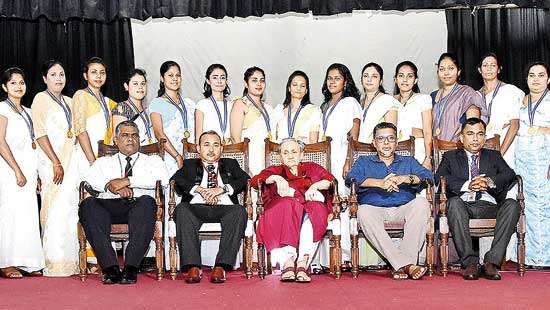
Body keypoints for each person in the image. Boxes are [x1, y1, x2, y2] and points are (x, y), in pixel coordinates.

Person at [79, 121, 169, 284]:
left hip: (138, 206)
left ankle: (131, 268)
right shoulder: (104, 162)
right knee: (88, 205)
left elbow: (163, 179)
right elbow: (89, 180)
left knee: (148, 202)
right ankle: (110, 268)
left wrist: (128, 181)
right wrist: (111, 186)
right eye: (125, 135)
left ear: (139, 139)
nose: (130, 139)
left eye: (134, 135)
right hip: (109, 206)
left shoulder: (153, 160)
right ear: (116, 140)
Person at [346, 122, 433, 280]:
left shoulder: (408, 161)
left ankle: (402, 264)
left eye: (390, 138)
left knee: (422, 203)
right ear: (374, 143)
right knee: (363, 211)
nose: (386, 143)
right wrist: (380, 183)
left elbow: (428, 177)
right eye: (381, 139)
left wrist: (405, 178)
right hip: (375, 209)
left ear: (396, 142)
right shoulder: (363, 162)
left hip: (404, 207)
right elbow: (351, 179)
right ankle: (406, 265)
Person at [436, 118, 519, 280]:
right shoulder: (450, 156)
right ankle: (470, 263)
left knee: (513, 205)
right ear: (461, 138)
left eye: (480, 134)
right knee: (453, 203)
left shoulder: (493, 155)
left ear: (484, 137)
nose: (475, 139)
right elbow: (440, 177)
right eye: (470, 134)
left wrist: (489, 181)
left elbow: (510, 175)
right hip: (463, 206)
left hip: (489, 205)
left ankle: (491, 262)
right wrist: (468, 184)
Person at [250, 138, 335, 283]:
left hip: (309, 210)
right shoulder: (276, 170)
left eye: (294, 152)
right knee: (288, 204)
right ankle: (288, 262)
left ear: (301, 154)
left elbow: (330, 180)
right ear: (280, 156)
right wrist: (276, 178)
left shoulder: (312, 167)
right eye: (285, 152)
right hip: (285, 212)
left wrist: (314, 187)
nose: (290, 156)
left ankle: (302, 263)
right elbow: (255, 181)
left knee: (314, 209)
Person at [171, 131, 249, 284]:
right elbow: (176, 179)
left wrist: (222, 189)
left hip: (224, 207)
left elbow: (245, 179)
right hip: (196, 207)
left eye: (216, 145)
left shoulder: (230, 164)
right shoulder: (189, 164)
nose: (211, 150)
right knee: (181, 210)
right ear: (198, 148)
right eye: (206, 145)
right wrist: (199, 189)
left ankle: (221, 266)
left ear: (221, 148)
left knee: (239, 211)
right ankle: (193, 266)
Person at [31, 60, 80, 276]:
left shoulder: (70, 102)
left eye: (61, 73)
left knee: (71, 210)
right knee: (55, 211)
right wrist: (56, 162)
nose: (59, 78)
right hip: (52, 162)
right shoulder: (40, 99)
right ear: (44, 79)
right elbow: (40, 133)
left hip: (72, 163)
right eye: (53, 74)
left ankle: (73, 261)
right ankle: (55, 262)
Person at [0, 67, 45, 278]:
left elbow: (33, 145)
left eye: (21, 82)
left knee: (27, 216)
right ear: (4, 87)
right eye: (13, 83)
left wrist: (35, 175)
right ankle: (7, 263)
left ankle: (28, 262)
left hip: (28, 170)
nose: (19, 86)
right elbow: (0, 142)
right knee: (10, 215)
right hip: (9, 170)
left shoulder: (28, 111)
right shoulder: (2, 108)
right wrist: (17, 170)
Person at [317, 63, 362, 271]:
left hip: (341, 158)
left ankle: (344, 256)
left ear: (346, 81)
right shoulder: (324, 106)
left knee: (342, 205)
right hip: (325, 160)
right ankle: (326, 259)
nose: (332, 81)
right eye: (329, 78)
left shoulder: (351, 102)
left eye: (337, 78)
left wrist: (348, 160)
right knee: (326, 205)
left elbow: (354, 136)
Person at [515, 62, 550, 267]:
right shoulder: (523, 101)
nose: (535, 79)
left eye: (541, 75)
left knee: (544, 207)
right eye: (531, 75)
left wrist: (542, 131)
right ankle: (529, 256)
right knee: (526, 206)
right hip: (525, 162)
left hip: (544, 161)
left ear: (548, 79)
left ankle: (544, 257)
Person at [230, 66, 282, 176]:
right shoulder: (240, 104)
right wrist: (243, 167)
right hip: (250, 158)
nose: (259, 84)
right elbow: (235, 139)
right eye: (254, 80)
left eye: (262, 80)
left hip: (270, 157)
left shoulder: (268, 108)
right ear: (246, 83)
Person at [477, 53, 524, 168]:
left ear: (499, 69)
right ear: (479, 70)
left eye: (493, 65)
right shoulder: (476, 95)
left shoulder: (510, 91)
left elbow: (514, 125)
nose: (489, 69)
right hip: (484, 146)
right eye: (485, 65)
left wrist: (500, 156)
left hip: (507, 146)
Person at [149, 60, 195, 176]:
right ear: (162, 78)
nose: (175, 78)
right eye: (170, 75)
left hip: (192, 155)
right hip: (171, 157)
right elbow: (159, 134)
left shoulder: (189, 103)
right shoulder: (157, 103)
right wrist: (177, 156)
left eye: (177, 75)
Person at [72, 57, 117, 170]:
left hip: (106, 155)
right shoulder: (81, 95)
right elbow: (80, 131)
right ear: (85, 76)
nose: (98, 76)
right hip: (86, 157)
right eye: (94, 72)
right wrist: (93, 162)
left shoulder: (109, 102)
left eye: (102, 72)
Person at [431, 52, 488, 142]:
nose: (446, 73)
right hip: (435, 149)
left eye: (451, 68)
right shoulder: (433, 96)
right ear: (438, 72)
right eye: (442, 69)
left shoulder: (467, 93)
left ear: (458, 71)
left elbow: (473, 127)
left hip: (457, 149)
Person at [394, 61, 433, 168]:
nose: (405, 80)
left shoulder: (424, 99)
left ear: (415, 80)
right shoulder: (389, 101)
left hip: (418, 150)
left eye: (409, 76)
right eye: (401, 76)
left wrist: (428, 158)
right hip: (394, 150)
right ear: (395, 79)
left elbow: (427, 131)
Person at [275, 71, 322, 143]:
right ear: (289, 88)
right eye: (295, 85)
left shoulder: (313, 110)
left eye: (302, 86)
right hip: (280, 152)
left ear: (306, 90)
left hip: (304, 152)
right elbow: (273, 137)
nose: (298, 88)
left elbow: (313, 142)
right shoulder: (279, 109)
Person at [358, 62, 400, 143]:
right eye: (366, 76)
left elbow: (391, 133)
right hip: (359, 149)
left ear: (381, 81)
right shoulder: (359, 102)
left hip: (379, 150)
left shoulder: (387, 101)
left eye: (374, 76)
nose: (369, 79)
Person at [112, 68, 154, 145]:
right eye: (135, 84)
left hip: (151, 152)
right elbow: (118, 140)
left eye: (143, 83)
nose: (140, 87)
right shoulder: (122, 108)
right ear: (126, 86)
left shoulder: (148, 110)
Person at [195, 64, 233, 144]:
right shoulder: (202, 104)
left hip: (230, 149)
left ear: (226, 81)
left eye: (222, 77)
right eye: (215, 77)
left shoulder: (232, 105)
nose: (219, 81)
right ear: (208, 81)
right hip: (209, 150)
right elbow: (198, 136)